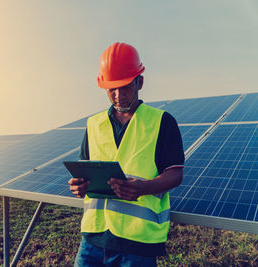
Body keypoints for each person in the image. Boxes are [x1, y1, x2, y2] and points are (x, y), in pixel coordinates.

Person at [68, 42, 185, 267]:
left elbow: (175, 175)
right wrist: (78, 185)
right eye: (111, 88)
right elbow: (84, 170)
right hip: (93, 239)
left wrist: (143, 188)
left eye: (125, 87)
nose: (118, 95)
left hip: (138, 243)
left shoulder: (162, 122)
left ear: (139, 82)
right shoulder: (94, 124)